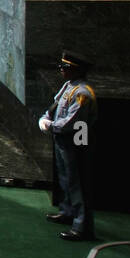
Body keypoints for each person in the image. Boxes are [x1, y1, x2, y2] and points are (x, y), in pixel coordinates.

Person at [40, 51, 98, 241]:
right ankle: (67, 212)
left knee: (77, 182)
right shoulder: (69, 86)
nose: (62, 70)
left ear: (76, 70)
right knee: (65, 177)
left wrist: (50, 125)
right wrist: (46, 117)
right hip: (62, 139)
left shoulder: (83, 93)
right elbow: (56, 105)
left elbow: (71, 122)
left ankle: (82, 226)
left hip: (75, 141)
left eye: (65, 68)